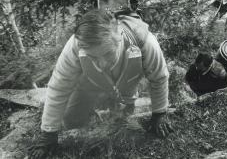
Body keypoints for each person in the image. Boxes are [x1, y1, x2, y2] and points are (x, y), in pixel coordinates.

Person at [28, 8, 173, 159]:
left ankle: (121, 108)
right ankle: (93, 109)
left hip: (128, 82)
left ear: (120, 37)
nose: (102, 63)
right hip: (90, 84)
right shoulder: (76, 45)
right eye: (94, 57)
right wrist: (48, 133)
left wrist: (159, 114)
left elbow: (159, 77)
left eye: (107, 53)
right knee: (71, 120)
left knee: (121, 124)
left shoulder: (146, 42)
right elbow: (59, 87)